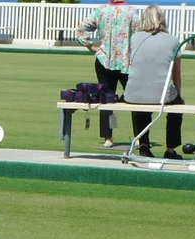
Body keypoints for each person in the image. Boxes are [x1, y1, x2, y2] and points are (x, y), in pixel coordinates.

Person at [77, 0, 138, 149]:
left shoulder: (101, 11)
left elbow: (81, 29)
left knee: (105, 98)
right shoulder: (131, 11)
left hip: (105, 60)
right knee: (136, 99)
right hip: (126, 61)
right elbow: (138, 36)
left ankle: (108, 138)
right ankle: (139, 138)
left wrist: (93, 48)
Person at [127, 5, 185, 160]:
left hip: (133, 93)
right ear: (162, 19)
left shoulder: (134, 38)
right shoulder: (173, 40)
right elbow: (176, 73)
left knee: (139, 103)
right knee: (177, 107)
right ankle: (170, 149)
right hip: (161, 94)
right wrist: (179, 94)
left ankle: (143, 145)